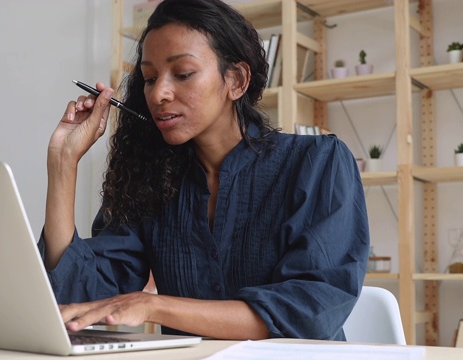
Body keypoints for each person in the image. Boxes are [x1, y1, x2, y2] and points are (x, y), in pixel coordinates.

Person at [40, 0, 369, 341]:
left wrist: (155, 306)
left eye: (182, 74)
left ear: (237, 80)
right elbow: (79, 299)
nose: (159, 94)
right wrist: (63, 164)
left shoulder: (317, 163)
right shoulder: (151, 177)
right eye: (150, 78)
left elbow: (307, 311)